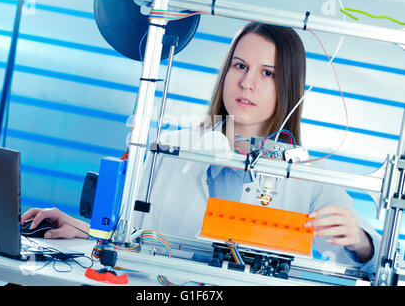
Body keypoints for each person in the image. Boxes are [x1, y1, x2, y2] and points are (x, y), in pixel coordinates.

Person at [21, 22, 381, 274]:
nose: (246, 83)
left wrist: (361, 241)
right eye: (239, 66)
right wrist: (86, 232)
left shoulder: (306, 174)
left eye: (267, 73)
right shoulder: (173, 147)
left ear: (288, 85)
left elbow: (365, 259)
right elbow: (132, 236)